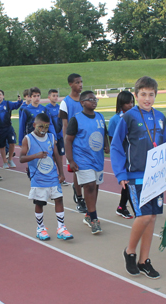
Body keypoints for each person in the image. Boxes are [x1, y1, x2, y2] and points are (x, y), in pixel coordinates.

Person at [111, 76, 166, 279]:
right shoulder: (128, 117)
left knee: (152, 217)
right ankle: (130, 251)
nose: (147, 98)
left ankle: (144, 260)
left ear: (156, 95)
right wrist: (120, 173)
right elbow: (116, 146)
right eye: (143, 94)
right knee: (143, 216)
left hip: (156, 176)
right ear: (136, 96)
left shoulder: (161, 117)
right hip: (136, 175)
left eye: (151, 94)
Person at [20, 113, 73, 241]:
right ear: (34, 125)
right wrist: (35, 156)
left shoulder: (50, 137)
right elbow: (21, 158)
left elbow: (56, 156)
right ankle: (41, 228)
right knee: (40, 203)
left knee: (59, 199)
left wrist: (61, 173)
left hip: (52, 175)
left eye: (46, 127)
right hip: (38, 178)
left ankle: (61, 227)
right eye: (40, 127)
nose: (43, 130)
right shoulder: (28, 139)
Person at [65, 91, 109, 235]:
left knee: (95, 187)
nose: (94, 101)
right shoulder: (76, 119)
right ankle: (94, 219)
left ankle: (89, 215)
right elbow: (68, 140)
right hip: (82, 159)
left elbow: (105, 133)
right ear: (82, 102)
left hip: (97, 158)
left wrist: (107, 145)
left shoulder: (100, 117)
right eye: (90, 99)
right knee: (89, 186)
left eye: (95, 99)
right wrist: (70, 160)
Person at [59, 73, 86, 213]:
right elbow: (65, 125)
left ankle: (84, 193)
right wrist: (66, 142)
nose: (80, 84)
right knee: (77, 170)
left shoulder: (85, 100)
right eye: (77, 82)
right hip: (74, 141)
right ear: (70, 84)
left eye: (81, 82)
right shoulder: (66, 102)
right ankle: (80, 198)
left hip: (86, 140)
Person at [108, 91, 135, 219]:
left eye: (132, 102)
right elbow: (114, 141)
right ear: (121, 104)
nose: (131, 105)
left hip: (135, 154)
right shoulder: (115, 120)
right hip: (124, 155)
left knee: (129, 182)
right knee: (128, 182)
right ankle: (137, 210)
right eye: (128, 103)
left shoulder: (136, 116)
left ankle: (121, 206)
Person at [0, 89, 23, 169]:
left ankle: (10, 159)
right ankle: (5, 161)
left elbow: (16, 105)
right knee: (2, 146)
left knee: (12, 142)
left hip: (8, 127)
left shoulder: (7, 103)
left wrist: (19, 101)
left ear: (3, 96)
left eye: (0, 94)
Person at [18, 87, 56, 152]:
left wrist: (54, 136)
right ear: (30, 97)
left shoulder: (44, 109)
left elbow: (50, 124)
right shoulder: (26, 110)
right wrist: (20, 141)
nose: (37, 98)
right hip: (31, 138)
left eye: (38, 96)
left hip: (44, 137)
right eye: (34, 96)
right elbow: (22, 126)